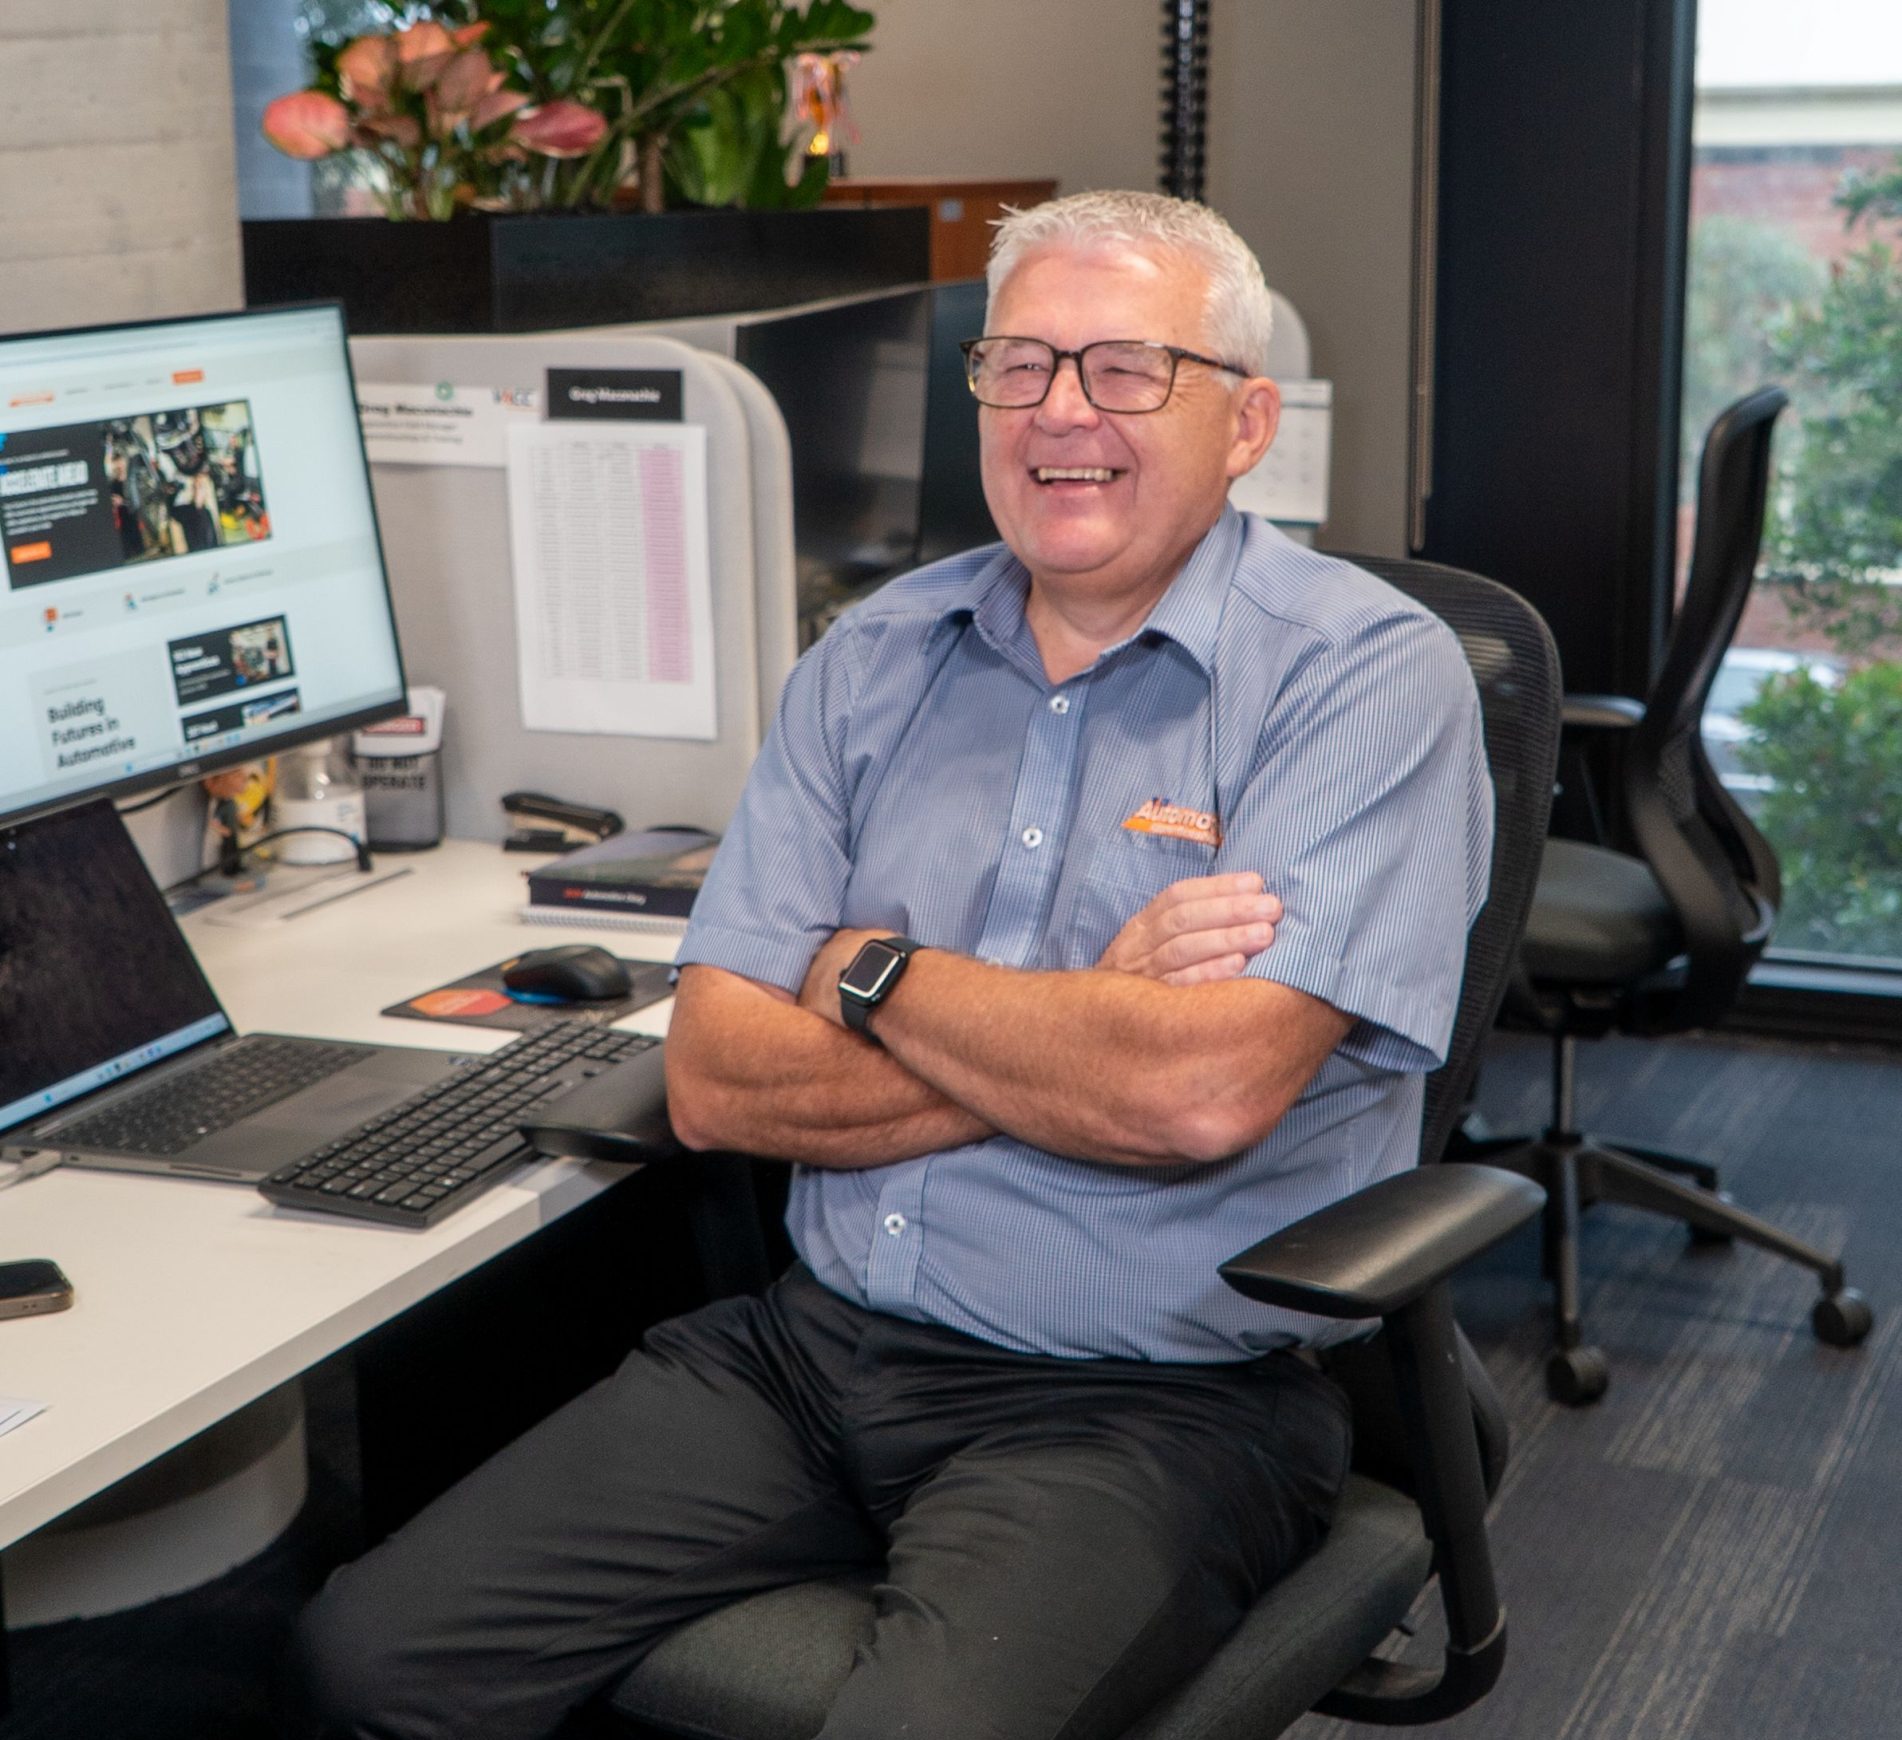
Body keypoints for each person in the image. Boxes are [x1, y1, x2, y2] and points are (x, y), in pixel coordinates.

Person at [293, 190, 1492, 1740]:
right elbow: (717, 1080)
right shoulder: (867, 659)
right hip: (809, 1355)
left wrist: (865, 974)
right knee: (368, 1660)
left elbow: (1196, 1095)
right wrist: (1088, 1027)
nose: (1060, 411)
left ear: (1245, 421)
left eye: (1127, 368)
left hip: (1147, 1402)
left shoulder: (1363, 675)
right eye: (1019, 363)